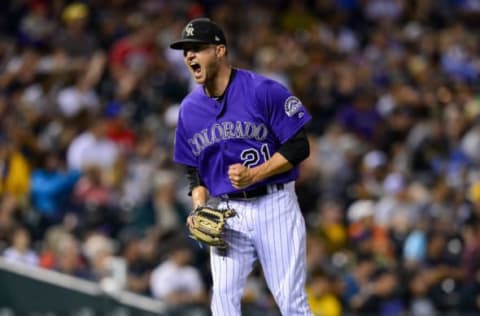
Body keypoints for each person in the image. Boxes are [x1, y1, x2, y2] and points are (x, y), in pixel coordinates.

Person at [170, 18, 313, 315]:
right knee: (222, 302)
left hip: (274, 204)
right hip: (226, 211)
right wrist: (198, 205)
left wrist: (256, 173)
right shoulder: (189, 109)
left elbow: (299, 145)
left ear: (220, 50)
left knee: (290, 300)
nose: (189, 56)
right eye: (186, 51)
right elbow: (193, 170)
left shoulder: (263, 90)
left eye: (197, 49)